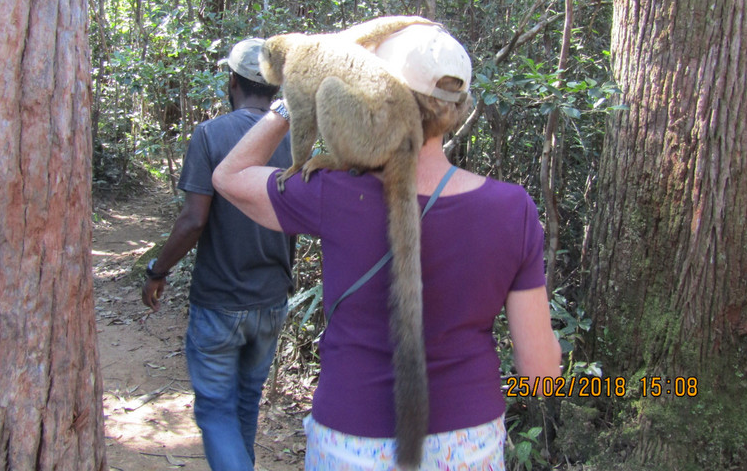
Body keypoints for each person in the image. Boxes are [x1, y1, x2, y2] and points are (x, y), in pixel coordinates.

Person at [211, 24, 561, 470]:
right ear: (461, 108)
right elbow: (541, 375)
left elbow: (229, 177)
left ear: (378, 92)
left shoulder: (332, 191)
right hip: (468, 445)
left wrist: (295, 89)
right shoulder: (514, 209)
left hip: (350, 439)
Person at [141, 38, 295, 471]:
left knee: (215, 410)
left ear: (232, 83)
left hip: (220, 302)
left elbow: (193, 220)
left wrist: (158, 270)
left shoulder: (210, 134)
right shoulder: (294, 138)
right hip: (271, 298)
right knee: (246, 405)